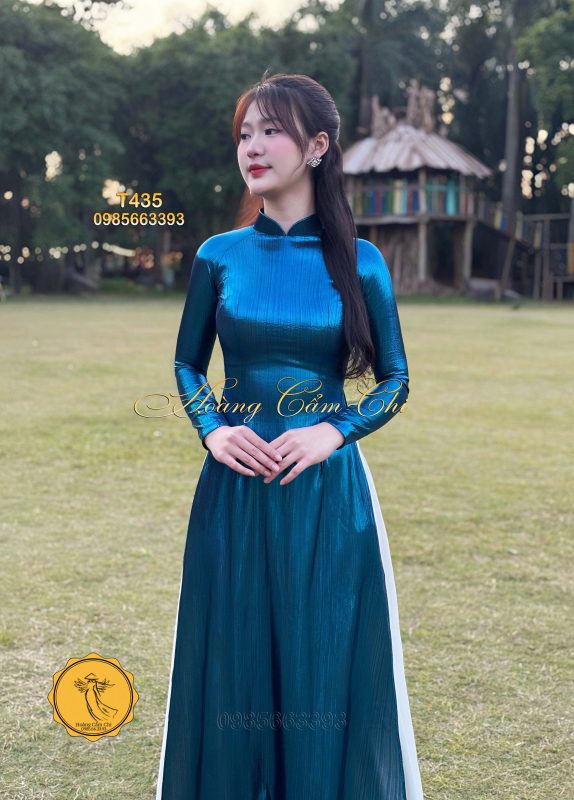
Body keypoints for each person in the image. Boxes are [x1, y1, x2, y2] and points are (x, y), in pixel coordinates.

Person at [156, 71, 425, 800]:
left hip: (328, 495)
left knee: (322, 655)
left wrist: (333, 432)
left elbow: (396, 379)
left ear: (316, 146)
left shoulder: (361, 261)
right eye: (245, 132)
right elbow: (187, 363)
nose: (252, 146)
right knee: (232, 655)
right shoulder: (219, 255)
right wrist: (212, 430)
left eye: (271, 131)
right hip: (234, 489)